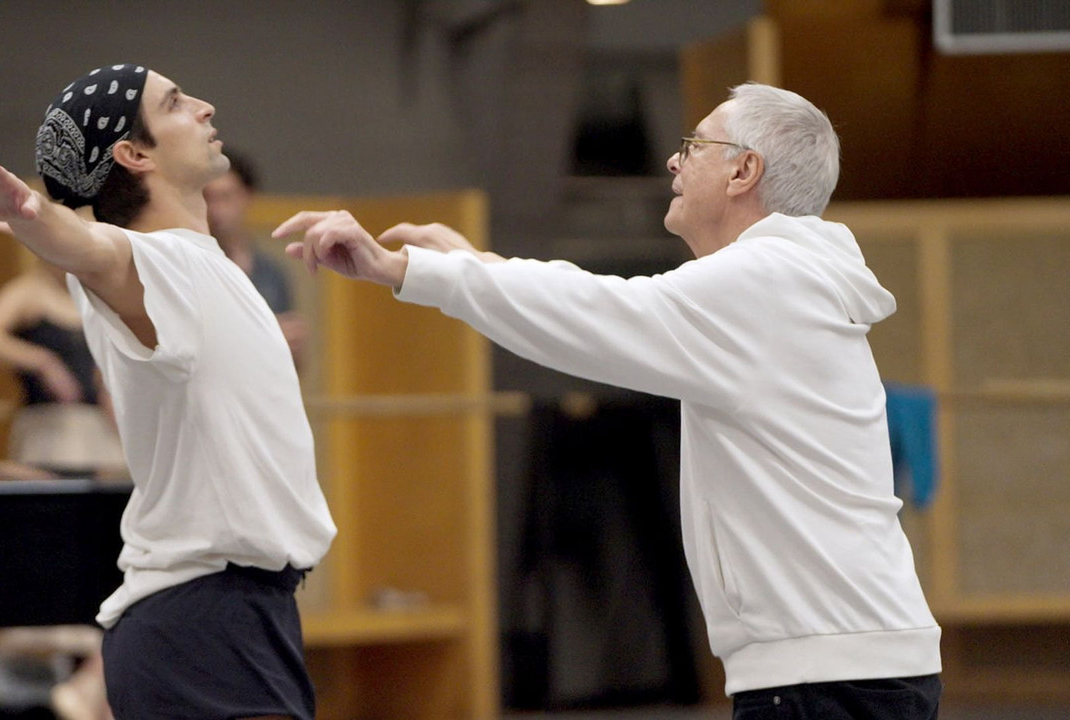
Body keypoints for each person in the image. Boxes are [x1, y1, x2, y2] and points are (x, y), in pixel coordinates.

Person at [274, 83, 941, 719]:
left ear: (744, 171)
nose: (675, 159)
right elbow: (616, 308)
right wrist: (477, 264)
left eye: (695, 144)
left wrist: (403, 271)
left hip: (826, 671)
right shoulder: (784, 279)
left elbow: (600, 314)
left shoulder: (763, 281)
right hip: (848, 659)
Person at [0, 64, 336, 720]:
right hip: (206, 620)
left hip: (239, 612)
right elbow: (91, 248)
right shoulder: (153, 261)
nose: (205, 106)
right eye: (176, 102)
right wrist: (33, 218)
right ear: (134, 153)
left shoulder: (206, 264)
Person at [0, 254, 125, 474]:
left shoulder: (102, 296)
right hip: (50, 429)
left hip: (104, 426)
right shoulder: (29, 292)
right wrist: (42, 362)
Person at [202, 150, 308, 367]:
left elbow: (292, 362)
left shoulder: (272, 273)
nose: (216, 210)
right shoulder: (192, 266)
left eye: (226, 197)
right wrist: (267, 339)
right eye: (208, 198)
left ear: (247, 196)